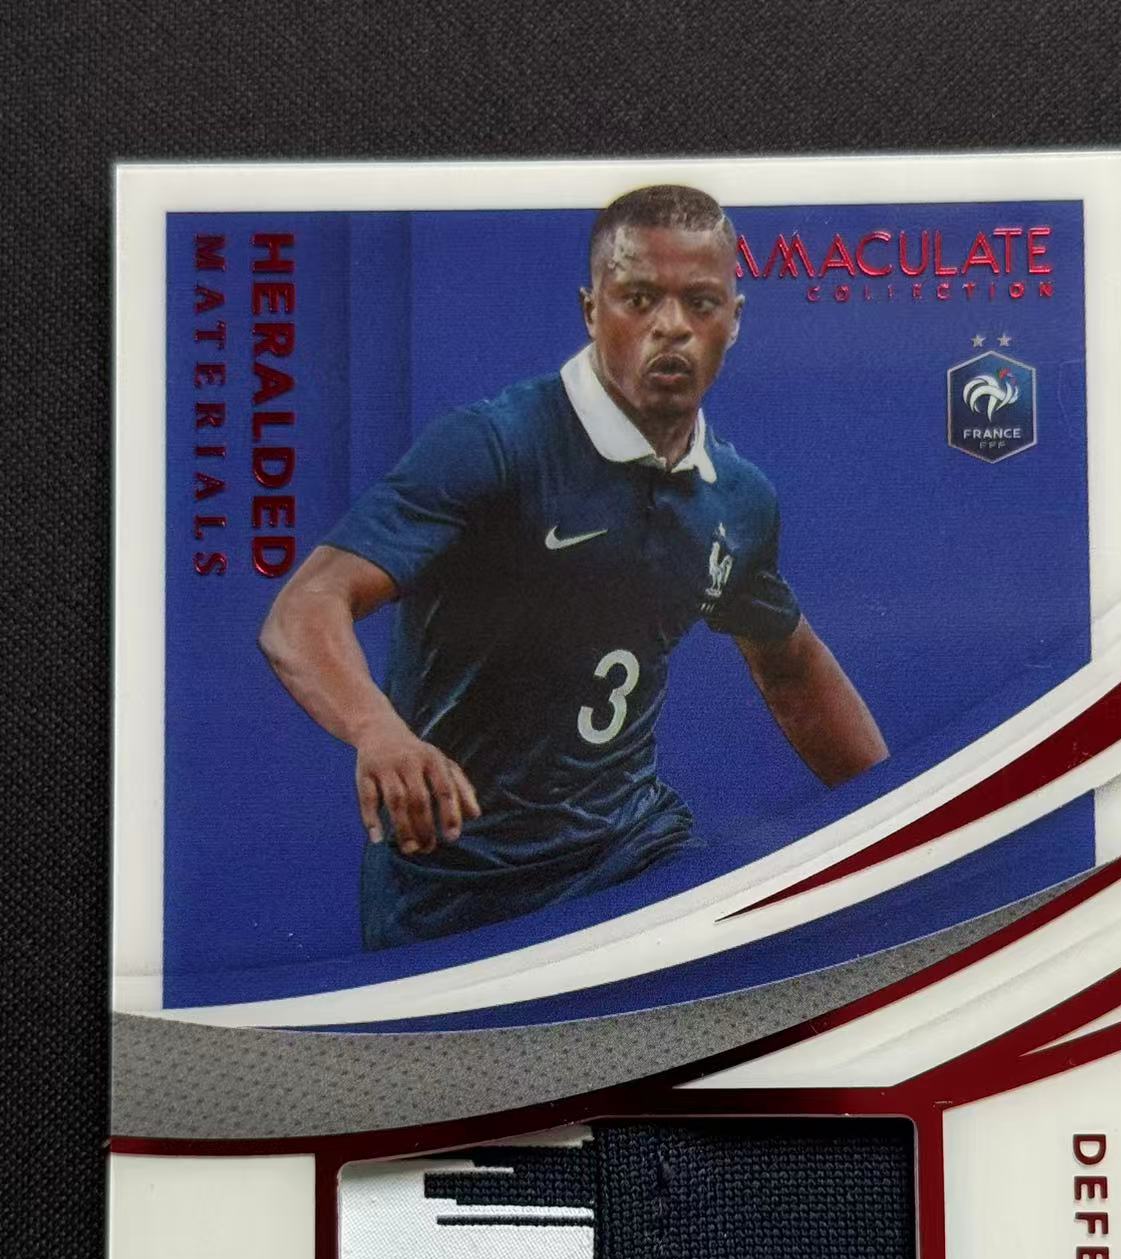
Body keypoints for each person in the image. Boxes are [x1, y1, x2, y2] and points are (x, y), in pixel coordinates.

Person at [259, 185, 888, 949]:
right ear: (592, 311)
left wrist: (893, 821)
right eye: (639, 298)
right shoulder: (497, 448)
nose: (671, 326)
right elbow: (306, 607)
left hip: (632, 853)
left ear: (734, 319)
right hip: (456, 888)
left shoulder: (737, 498)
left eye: (700, 303)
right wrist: (379, 731)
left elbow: (791, 667)